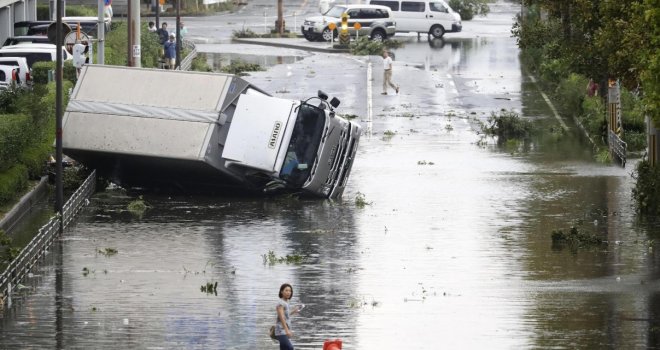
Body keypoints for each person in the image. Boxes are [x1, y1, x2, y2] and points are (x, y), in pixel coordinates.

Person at [275, 283, 302, 350]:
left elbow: (285, 315)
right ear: (281, 291)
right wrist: (287, 330)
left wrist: (293, 311)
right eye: (286, 290)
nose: (288, 292)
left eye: (290, 291)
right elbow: (281, 317)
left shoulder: (286, 302)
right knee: (290, 348)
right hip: (281, 331)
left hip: (284, 330)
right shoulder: (280, 303)